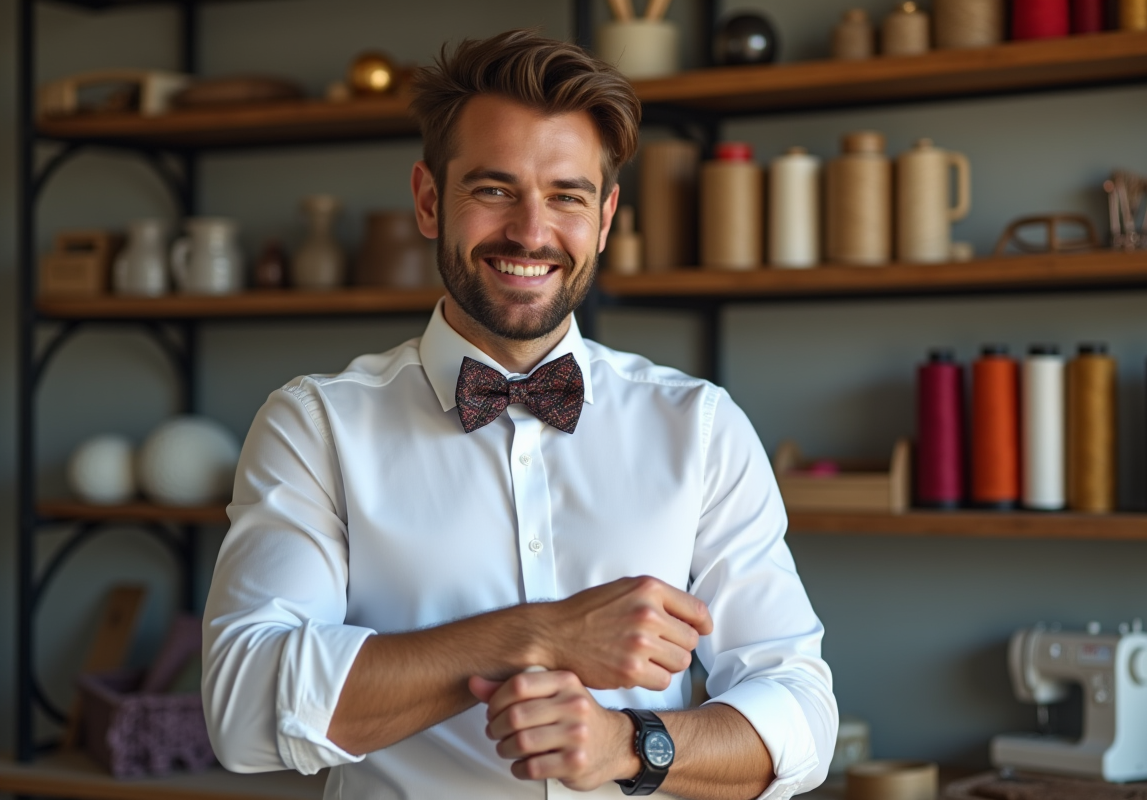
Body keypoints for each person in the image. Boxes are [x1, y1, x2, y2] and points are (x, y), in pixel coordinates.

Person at [202, 28, 836, 800]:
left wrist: (631, 745)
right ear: (429, 201)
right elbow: (244, 710)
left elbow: (802, 716)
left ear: (605, 218)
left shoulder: (700, 427)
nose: (532, 233)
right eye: (494, 190)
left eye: (567, 196)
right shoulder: (315, 427)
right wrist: (538, 635)